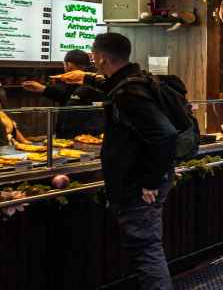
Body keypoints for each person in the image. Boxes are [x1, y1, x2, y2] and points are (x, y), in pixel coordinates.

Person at [92, 32, 177, 290]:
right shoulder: (134, 81)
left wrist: (150, 181)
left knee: (146, 250)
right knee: (147, 248)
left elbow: (165, 135)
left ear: (102, 58)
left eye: (93, 55)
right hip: (141, 181)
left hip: (138, 186)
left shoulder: (128, 92)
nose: (92, 59)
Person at [22, 49, 105, 136]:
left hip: (77, 132)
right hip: (89, 132)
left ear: (68, 64)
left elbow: (69, 97)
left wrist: (43, 89)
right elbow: (66, 95)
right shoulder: (96, 80)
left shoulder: (83, 81)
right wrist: (42, 89)